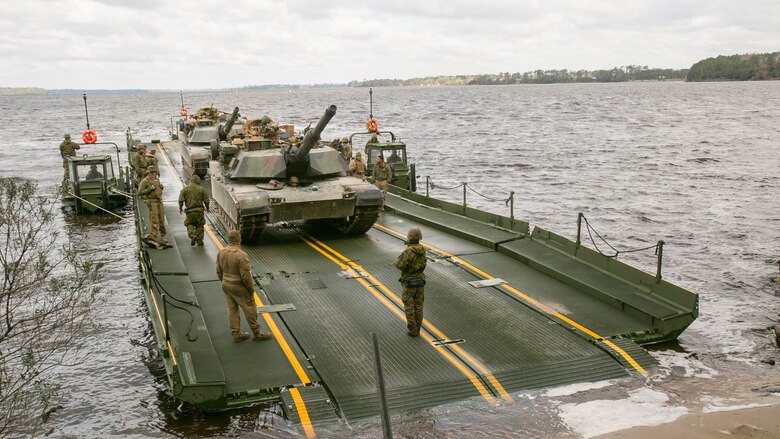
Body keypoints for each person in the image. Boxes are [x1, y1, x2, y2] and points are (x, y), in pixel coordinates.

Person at [216, 230, 273, 343]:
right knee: (249, 308)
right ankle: (257, 333)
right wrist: (250, 289)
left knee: (232, 309)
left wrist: (223, 281)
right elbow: (246, 276)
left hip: (226, 284)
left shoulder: (221, 252)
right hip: (238, 286)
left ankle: (236, 333)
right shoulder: (241, 255)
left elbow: (218, 270)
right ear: (239, 239)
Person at [394, 227, 427, 337]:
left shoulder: (408, 251)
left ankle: (413, 330)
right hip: (420, 281)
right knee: (419, 306)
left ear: (410, 237)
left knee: (409, 307)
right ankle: (418, 327)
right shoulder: (422, 249)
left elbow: (399, 265)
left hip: (409, 283)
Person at [137, 166, 168, 247]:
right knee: (154, 219)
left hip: (159, 201)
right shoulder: (145, 181)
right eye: (152, 172)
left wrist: (161, 187)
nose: (154, 174)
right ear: (149, 173)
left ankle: (163, 236)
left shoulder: (157, 179)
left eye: (155, 172)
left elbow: (158, 189)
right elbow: (140, 192)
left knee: (161, 218)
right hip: (152, 201)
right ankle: (153, 235)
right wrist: (150, 188)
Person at [178, 175, 210, 246]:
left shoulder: (185, 189)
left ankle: (192, 235)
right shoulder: (202, 189)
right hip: (199, 211)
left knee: (189, 223)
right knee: (200, 225)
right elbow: (206, 200)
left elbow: (180, 200)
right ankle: (199, 241)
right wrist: (207, 208)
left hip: (190, 211)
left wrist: (180, 208)